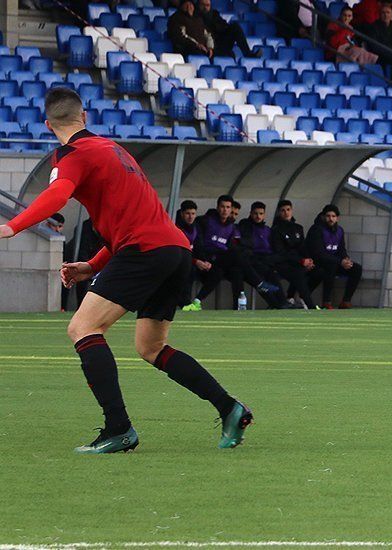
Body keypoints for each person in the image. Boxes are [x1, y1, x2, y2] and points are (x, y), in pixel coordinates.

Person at [0, 87, 251, 453]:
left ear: (47, 124)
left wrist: (11, 226)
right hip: (175, 249)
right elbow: (135, 220)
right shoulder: (114, 150)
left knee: (83, 327)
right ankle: (230, 408)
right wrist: (93, 265)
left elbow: (58, 195)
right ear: (84, 116)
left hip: (146, 251)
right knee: (151, 347)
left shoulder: (71, 155)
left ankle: (118, 429)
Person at [184, 195, 283, 311]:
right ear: (217, 207)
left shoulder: (230, 227)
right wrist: (201, 259)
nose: (225, 210)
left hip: (223, 259)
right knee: (237, 255)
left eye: (227, 207)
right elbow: (198, 242)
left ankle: (237, 306)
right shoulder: (206, 221)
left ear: (230, 209)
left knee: (237, 270)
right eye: (222, 207)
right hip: (209, 256)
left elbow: (230, 246)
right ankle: (260, 284)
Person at [236, 202, 294, 309]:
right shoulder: (246, 226)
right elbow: (246, 246)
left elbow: (274, 248)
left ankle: (281, 302)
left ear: (264, 215)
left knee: (271, 273)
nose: (258, 216)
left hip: (266, 260)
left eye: (261, 214)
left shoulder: (267, 230)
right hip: (253, 259)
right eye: (255, 213)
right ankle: (276, 303)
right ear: (250, 214)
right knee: (264, 274)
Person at [306, 204, 363, 309]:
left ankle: (346, 301)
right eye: (328, 216)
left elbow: (341, 249)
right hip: (319, 263)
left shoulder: (339, 230)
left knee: (356, 268)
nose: (330, 219)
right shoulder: (316, 230)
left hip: (335, 261)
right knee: (330, 266)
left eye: (333, 216)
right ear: (323, 217)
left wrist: (346, 259)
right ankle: (326, 302)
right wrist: (340, 261)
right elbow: (319, 254)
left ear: (337, 218)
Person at [271, 199, 322, 309]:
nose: (286, 213)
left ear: (292, 210)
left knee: (319, 272)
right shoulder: (276, 230)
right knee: (298, 273)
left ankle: (295, 296)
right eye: (283, 210)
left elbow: (302, 247)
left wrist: (309, 260)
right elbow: (282, 252)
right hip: (283, 263)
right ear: (279, 213)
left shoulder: (298, 228)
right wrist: (301, 261)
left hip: (298, 261)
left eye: (288, 210)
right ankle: (310, 305)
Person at [175, 199, 207, 308]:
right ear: (182, 214)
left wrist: (205, 261)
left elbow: (199, 247)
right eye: (188, 213)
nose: (190, 217)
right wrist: (195, 261)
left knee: (217, 271)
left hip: (193, 261)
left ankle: (197, 300)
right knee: (189, 269)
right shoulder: (177, 228)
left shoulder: (196, 228)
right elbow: (178, 251)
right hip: (179, 261)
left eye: (193, 214)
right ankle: (185, 302)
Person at [363, 3, 392, 75]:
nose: (386, 15)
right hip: (380, 56)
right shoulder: (374, 27)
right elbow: (373, 45)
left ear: (391, 14)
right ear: (380, 14)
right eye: (383, 13)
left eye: (388, 12)